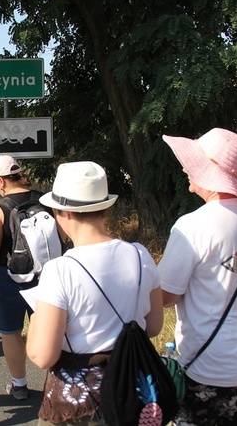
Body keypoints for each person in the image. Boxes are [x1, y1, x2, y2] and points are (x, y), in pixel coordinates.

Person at [158, 128, 237, 425]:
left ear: (208, 172)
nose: (186, 169)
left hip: (211, 364)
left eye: (192, 164)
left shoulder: (192, 227)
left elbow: (165, 296)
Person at [24, 161, 163, 425]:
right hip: (133, 391)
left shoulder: (60, 270)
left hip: (82, 404)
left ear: (62, 212)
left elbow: (43, 356)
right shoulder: (140, 254)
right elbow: (154, 326)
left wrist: (37, 320)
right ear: (104, 208)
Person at [0, 155, 45, 400]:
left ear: (1, 181)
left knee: (11, 332)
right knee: (49, 329)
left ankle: (20, 385)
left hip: (9, 276)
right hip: (46, 277)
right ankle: (55, 383)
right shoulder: (45, 200)